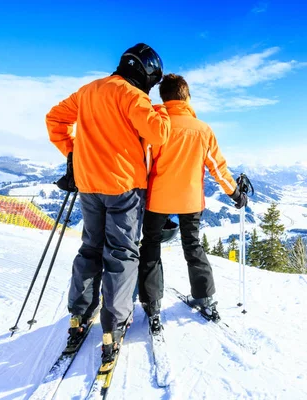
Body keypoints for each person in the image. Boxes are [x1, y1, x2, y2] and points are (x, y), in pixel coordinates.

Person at [46, 43, 171, 362]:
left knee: (90, 248)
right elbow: (158, 134)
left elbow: (55, 120)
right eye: (152, 80)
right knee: (121, 254)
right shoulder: (133, 96)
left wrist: (73, 156)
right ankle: (113, 326)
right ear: (145, 72)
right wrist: (162, 109)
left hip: (89, 185)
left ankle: (79, 316)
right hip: (124, 187)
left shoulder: (88, 90)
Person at [138, 73, 248, 333]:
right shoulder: (202, 130)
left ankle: (152, 306)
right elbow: (217, 168)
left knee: (151, 246)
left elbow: (145, 164)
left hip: (158, 198)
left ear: (164, 97)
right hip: (190, 199)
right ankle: (205, 298)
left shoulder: (156, 126)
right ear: (186, 96)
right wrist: (234, 194)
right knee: (193, 245)